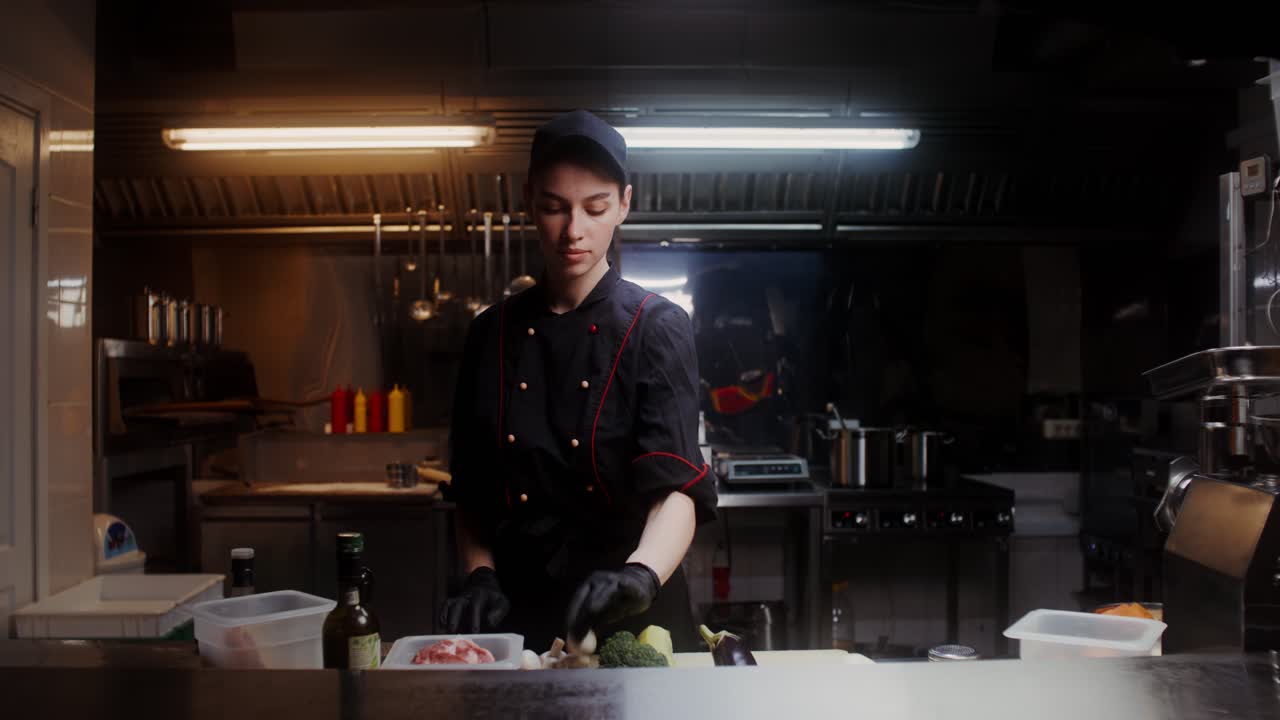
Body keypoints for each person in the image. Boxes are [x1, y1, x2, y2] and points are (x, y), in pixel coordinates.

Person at [440, 110, 716, 652]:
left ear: (624, 204)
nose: (573, 231)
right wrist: (480, 574)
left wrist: (641, 575)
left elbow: (677, 486)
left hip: (631, 615)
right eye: (554, 207)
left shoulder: (656, 328)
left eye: (595, 208)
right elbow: (473, 492)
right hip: (518, 617)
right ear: (528, 201)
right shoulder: (489, 334)